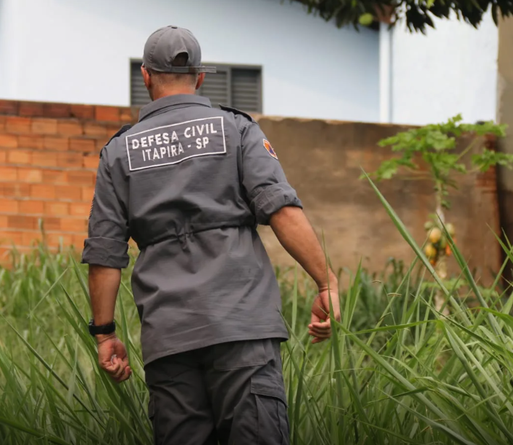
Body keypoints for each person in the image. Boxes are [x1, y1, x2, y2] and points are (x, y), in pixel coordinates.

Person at [81, 25, 340, 445]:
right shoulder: (237, 130)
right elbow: (280, 209)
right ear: (200, 77)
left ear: (145, 77)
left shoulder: (119, 152)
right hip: (243, 326)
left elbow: (105, 254)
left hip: (170, 337)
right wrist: (325, 281)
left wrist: (106, 334)